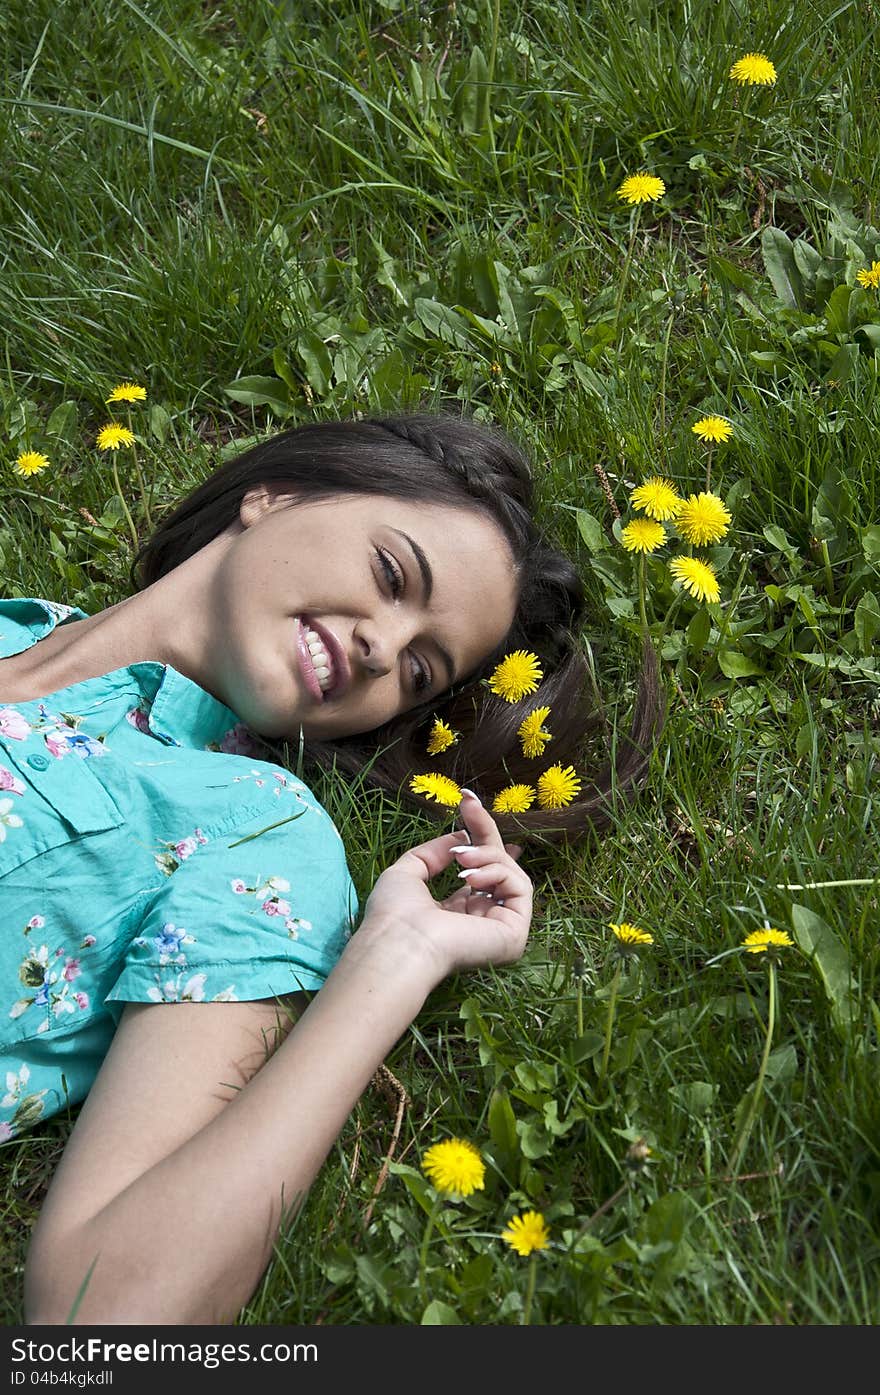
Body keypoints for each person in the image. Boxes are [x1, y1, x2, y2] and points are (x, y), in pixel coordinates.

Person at [0, 413, 660, 1325]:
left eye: (422, 671)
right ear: (275, 494)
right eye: (392, 575)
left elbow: (104, 1323)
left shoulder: (257, 834)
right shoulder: (17, 624)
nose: (385, 650)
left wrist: (393, 964)